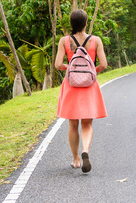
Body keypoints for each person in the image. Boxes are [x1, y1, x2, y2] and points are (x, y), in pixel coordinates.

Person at [55, 9, 108, 172]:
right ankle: (85, 150)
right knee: (87, 123)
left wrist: (71, 69)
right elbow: (104, 65)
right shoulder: (96, 40)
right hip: (89, 86)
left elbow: (58, 65)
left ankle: (76, 160)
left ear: (71, 24)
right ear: (86, 23)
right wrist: (91, 72)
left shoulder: (64, 41)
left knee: (73, 124)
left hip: (71, 86)